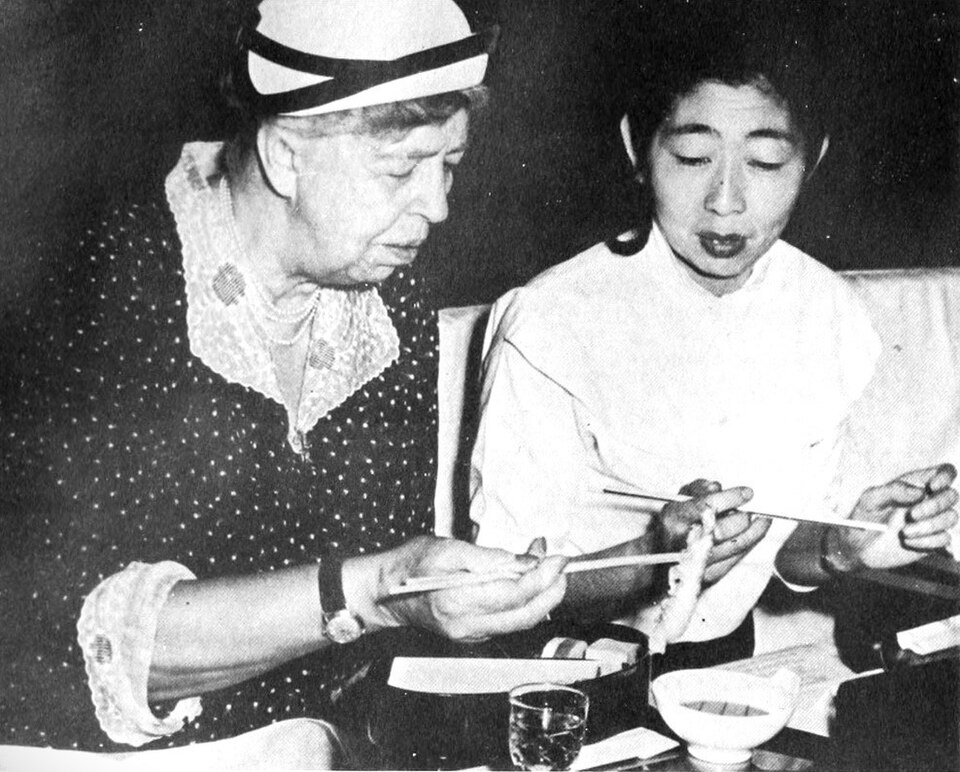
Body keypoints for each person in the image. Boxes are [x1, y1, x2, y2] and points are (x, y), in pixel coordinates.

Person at [0, 0, 568, 754]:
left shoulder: (385, 297)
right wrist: (371, 592)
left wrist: (434, 591)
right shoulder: (102, 284)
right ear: (284, 157)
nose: (435, 206)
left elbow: (377, 603)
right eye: (400, 168)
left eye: (449, 166)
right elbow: (80, 639)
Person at [469, 18, 958, 670]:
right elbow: (497, 586)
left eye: (765, 161)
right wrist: (654, 559)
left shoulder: (828, 312)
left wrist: (845, 544)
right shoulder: (551, 322)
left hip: (727, 662)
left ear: (811, 159)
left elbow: (785, 553)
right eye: (693, 158)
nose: (726, 201)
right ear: (636, 148)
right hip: (557, 668)